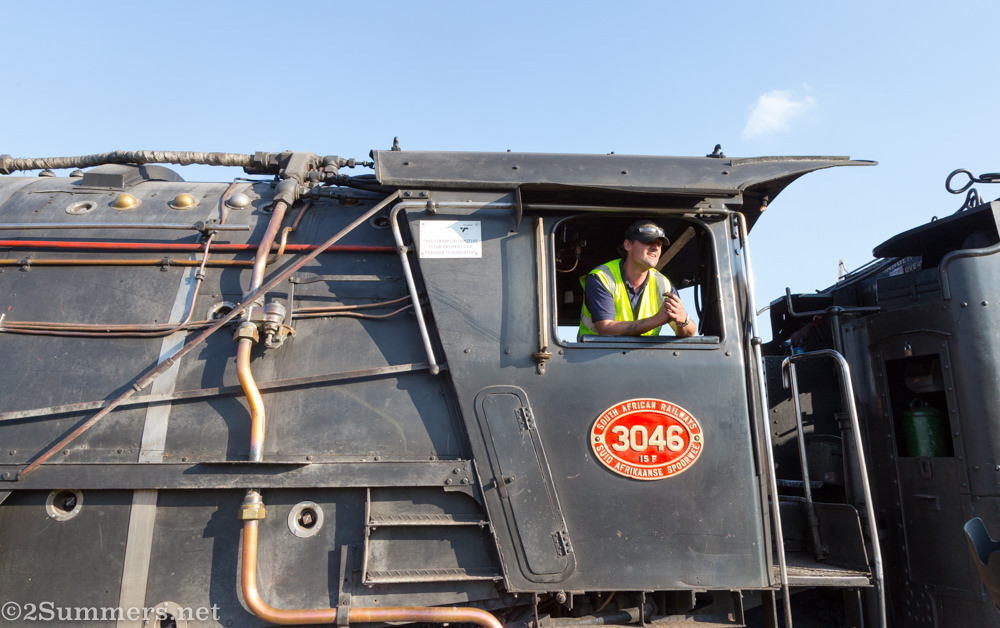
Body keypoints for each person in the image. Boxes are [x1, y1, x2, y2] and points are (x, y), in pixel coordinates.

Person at [578, 220, 695, 339]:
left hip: (645, 356)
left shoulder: (663, 285)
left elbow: (689, 332)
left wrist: (683, 320)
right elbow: (606, 329)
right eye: (649, 241)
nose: (655, 247)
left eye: (659, 244)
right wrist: (656, 320)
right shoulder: (602, 278)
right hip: (596, 355)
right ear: (628, 245)